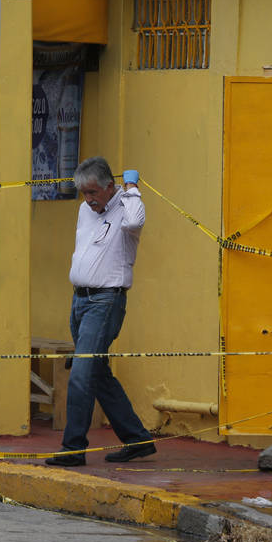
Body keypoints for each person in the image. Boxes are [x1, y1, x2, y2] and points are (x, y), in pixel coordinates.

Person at [45, 156, 156, 467]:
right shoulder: (85, 210)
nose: (88, 199)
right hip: (80, 300)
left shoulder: (127, 207)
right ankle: (138, 440)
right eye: (84, 193)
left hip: (106, 301)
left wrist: (132, 187)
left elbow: (135, 222)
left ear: (111, 187)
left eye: (93, 192)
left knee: (81, 375)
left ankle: (73, 448)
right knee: (97, 373)